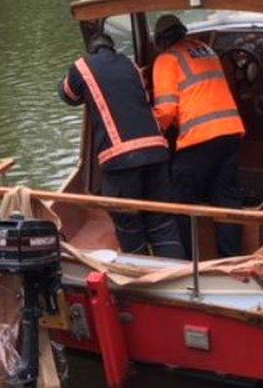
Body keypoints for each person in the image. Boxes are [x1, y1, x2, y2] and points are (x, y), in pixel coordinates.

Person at [59, 33, 185, 259]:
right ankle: (177, 275)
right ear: (112, 47)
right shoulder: (131, 65)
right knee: (162, 223)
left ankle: (140, 278)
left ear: (91, 49)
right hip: (156, 151)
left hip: (120, 158)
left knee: (129, 224)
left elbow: (68, 95)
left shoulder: (81, 67)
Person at [151, 14, 246, 258]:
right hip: (231, 132)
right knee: (225, 200)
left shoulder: (166, 59)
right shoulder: (206, 49)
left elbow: (166, 110)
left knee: (181, 201)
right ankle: (231, 259)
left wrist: (151, 132)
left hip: (199, 139)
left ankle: (186, 262)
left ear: (160, 41)